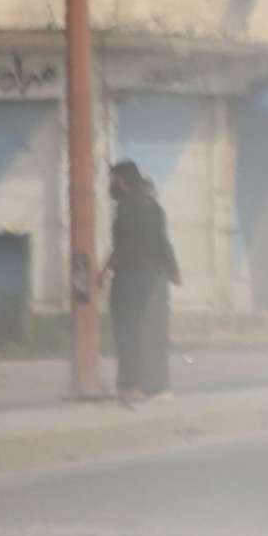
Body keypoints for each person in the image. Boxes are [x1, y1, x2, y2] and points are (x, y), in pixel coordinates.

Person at [99, 161, 179, 403]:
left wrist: (104, 271)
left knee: (127, 332)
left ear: (121, 181)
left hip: (132, 278)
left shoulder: (126, 207)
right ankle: (158, 387)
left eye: (113, 180)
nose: (111, 185)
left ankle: (130, 386)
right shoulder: (154, 206)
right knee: (153, 333)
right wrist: (174, 271)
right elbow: (163, 242)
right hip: (157, 279)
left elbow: (123, 245)